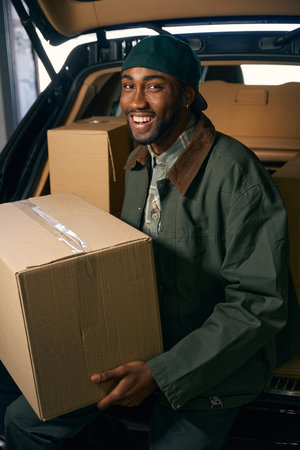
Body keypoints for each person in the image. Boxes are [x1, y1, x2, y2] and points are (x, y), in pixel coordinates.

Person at [5, 34, 291, 450]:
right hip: (140, 345)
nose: (135, 100)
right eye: (127, 85)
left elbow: (260, 304)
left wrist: (162, 373)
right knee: (23, 421)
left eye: (154, 86)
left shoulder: (237, 176)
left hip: (214, 364)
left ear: (188, 95)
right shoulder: (141, 161)